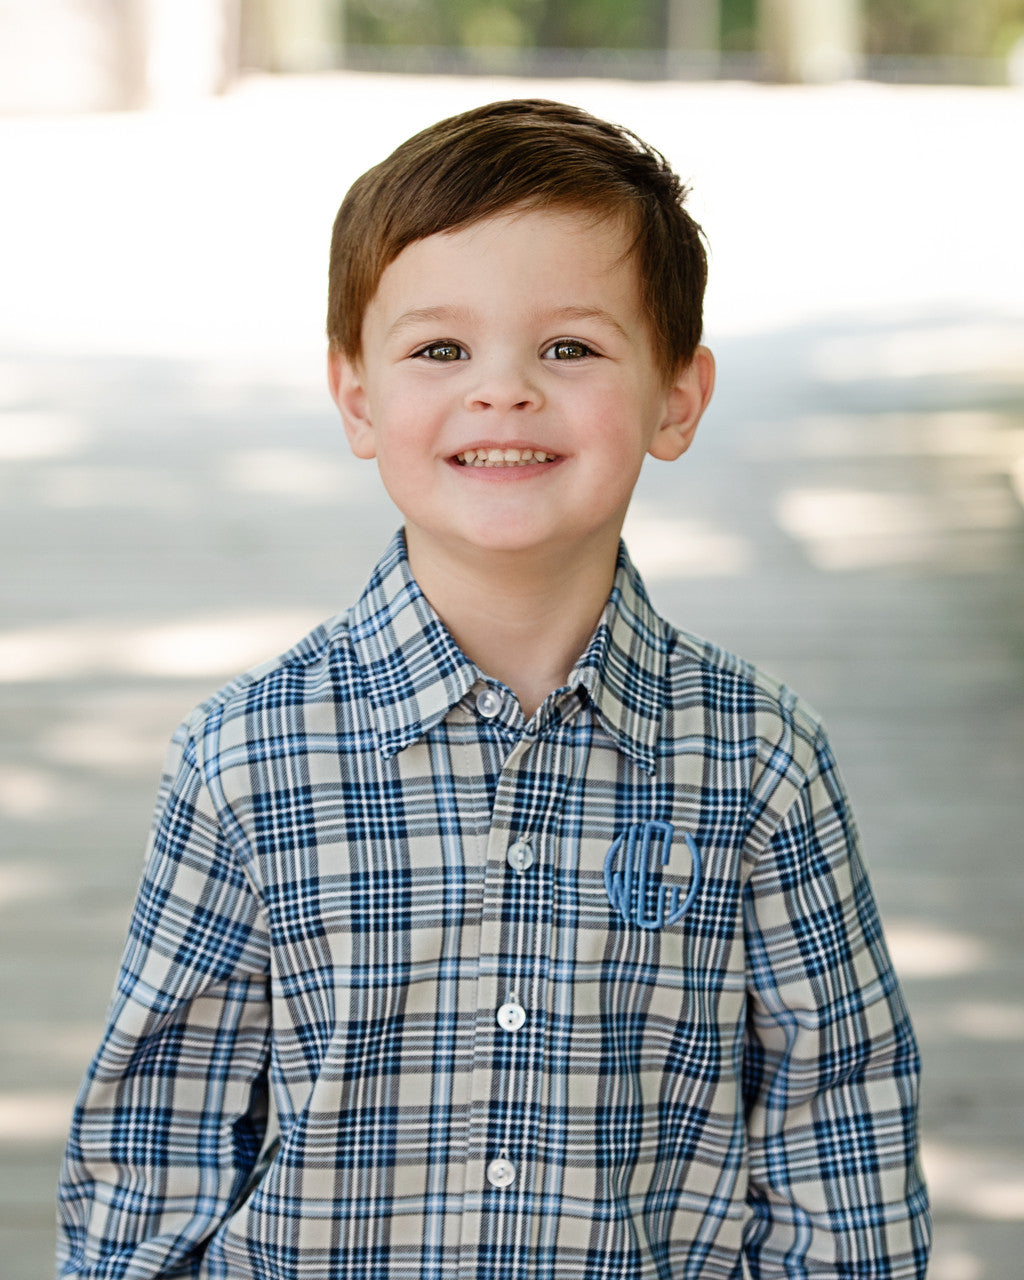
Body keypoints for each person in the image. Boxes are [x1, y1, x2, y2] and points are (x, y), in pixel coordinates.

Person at [57, 98, 930, 1277]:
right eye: (439, 350)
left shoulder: (760, 761)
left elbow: (841, 1127)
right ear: (358, 396)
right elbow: (154, 1146)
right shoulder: (248, 755)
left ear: (677, 394)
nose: (503, 391)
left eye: (568, 347)